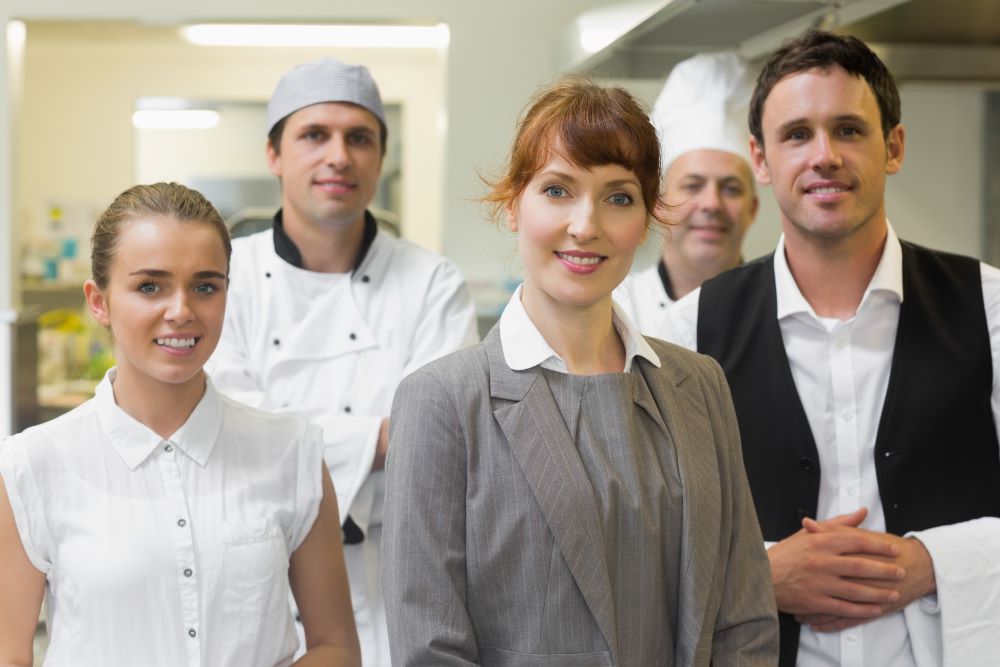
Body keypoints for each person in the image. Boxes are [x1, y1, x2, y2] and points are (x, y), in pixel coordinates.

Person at [381, 78, 778, 666]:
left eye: (618, 197)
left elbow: (744, 620)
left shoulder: (699, 385)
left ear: (646, 219)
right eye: (557, 190)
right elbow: (430, 648)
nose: (586, 224)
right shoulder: (443, 401)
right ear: (513, 205)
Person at [662, 29, 1000, 667]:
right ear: (761, 161)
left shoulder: (989, 307)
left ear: (893, 147)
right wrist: (761, 572)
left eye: (848, 130)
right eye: (797, 134)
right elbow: (651, 540)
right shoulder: (688, 334)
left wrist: (933, 562)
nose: (824, 156)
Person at [0, 183, 360, 666]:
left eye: (205, 286)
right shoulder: (33, 464)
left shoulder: (292, 453)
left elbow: (336, 649)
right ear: (99, 301)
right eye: (150, 286)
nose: (181, 312)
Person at [207, 57, 478, 666]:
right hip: (254, 583)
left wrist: (283, 435)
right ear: (274, 154)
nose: (339, 156)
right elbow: (223, 432)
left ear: (380, 159)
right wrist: (379, 439)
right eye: (315, 135)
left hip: (395, 585)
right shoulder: (224, 277)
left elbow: (443, 442)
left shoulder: (432, 282)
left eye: (360, 138)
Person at [615, 51, 758, 333]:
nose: (712, 203)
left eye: (731, 188)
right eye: (693, 185)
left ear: (752, 208)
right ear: (657, 202)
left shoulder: (780, 309)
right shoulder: (617, 311)